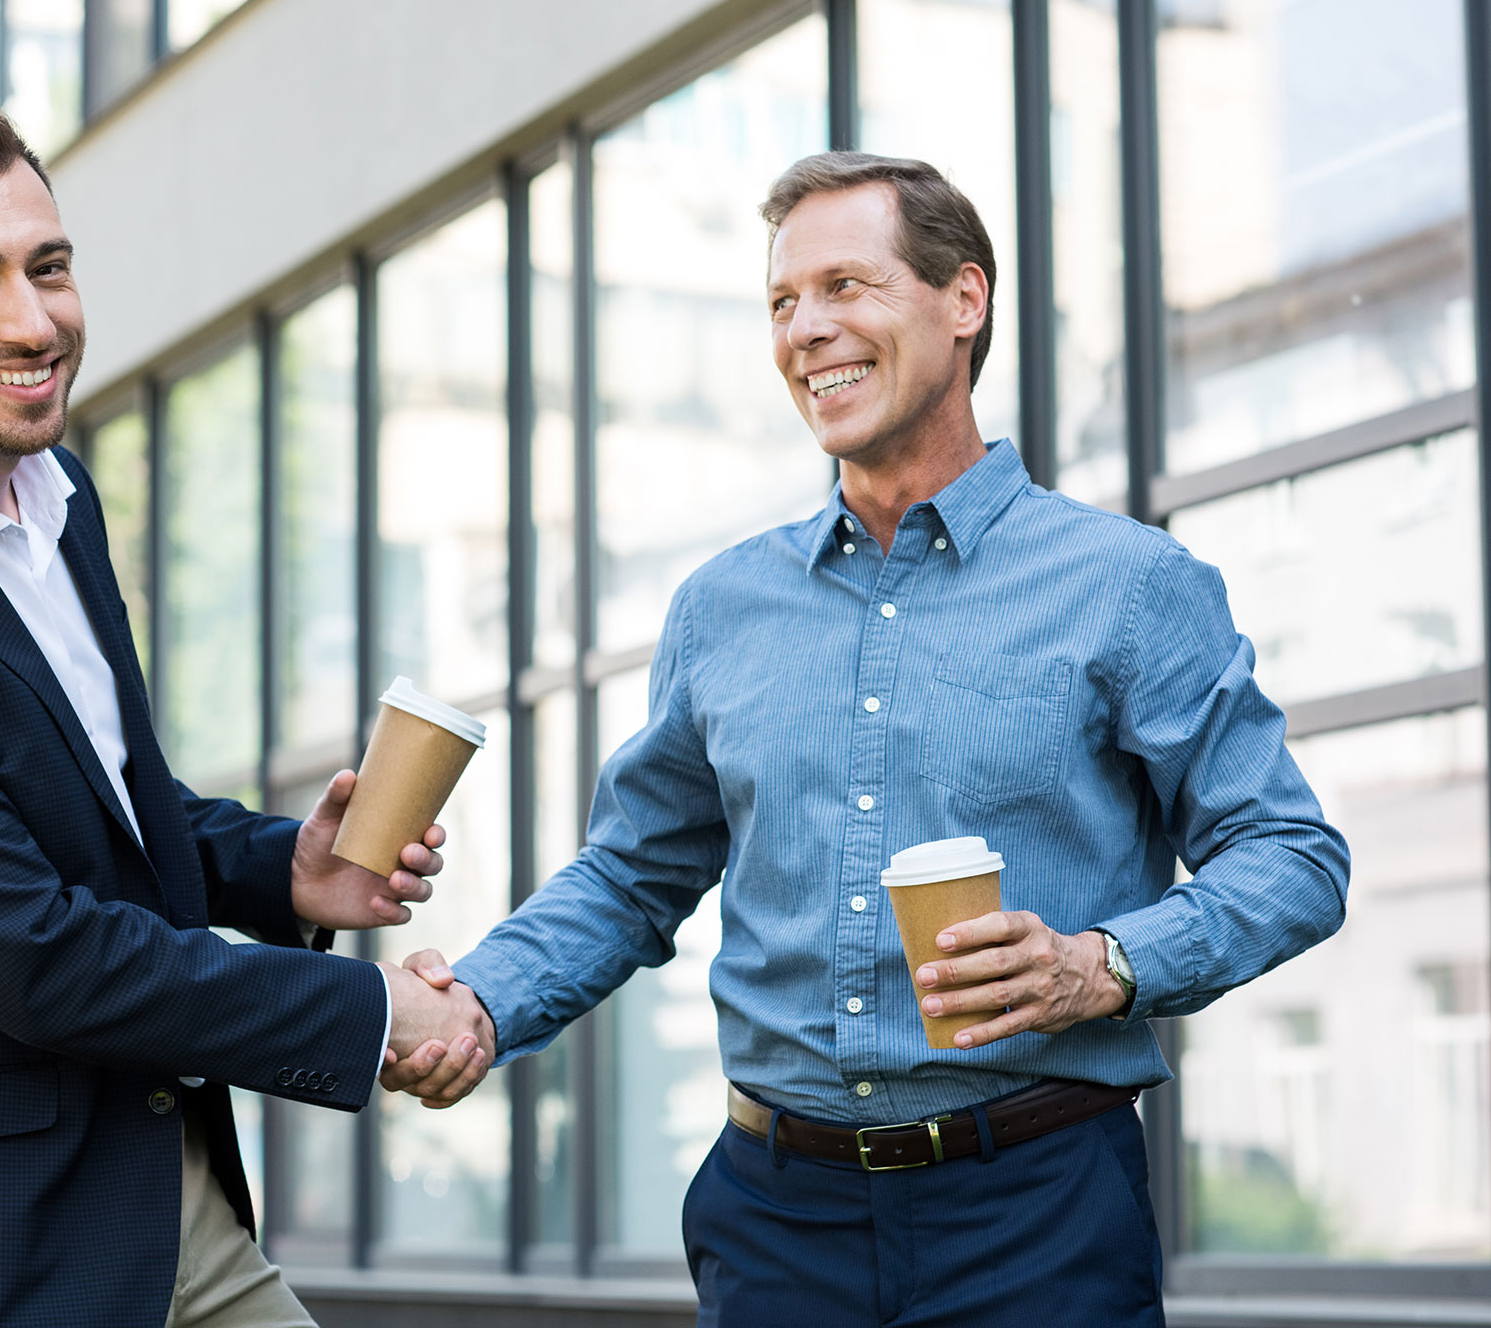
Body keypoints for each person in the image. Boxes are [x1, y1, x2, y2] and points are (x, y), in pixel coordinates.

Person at [387, 153, 1349, 1325]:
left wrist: (1098, 966)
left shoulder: (1130, 586)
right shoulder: (719, 608)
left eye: (846, 284)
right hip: (774, 1221)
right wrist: (482, 1000)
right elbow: (632, 874)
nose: (806, 330)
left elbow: (1292, 858)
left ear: (963, 301)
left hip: (1037, 1217)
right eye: (783, 303)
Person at [0, 99, 492, 1328]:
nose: (31, 322)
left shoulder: (55, 490)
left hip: (159, 1191)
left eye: (48, 266)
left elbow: (109, 803)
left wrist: (281, 870)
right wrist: (375, 1010)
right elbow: (40, 956)